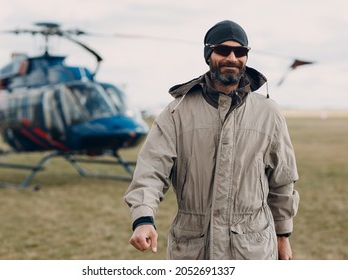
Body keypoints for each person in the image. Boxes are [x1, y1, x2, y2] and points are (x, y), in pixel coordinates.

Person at [124, 20, 300, 260]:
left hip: (253, 250)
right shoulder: (177, 112)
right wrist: (143, 218)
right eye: (222, 50)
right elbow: (151, 170)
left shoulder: (269, 113)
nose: (232, 57)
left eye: (240, 51)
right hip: (193, 251)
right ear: (208, 54)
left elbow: (282, 181)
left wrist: (283, 237)